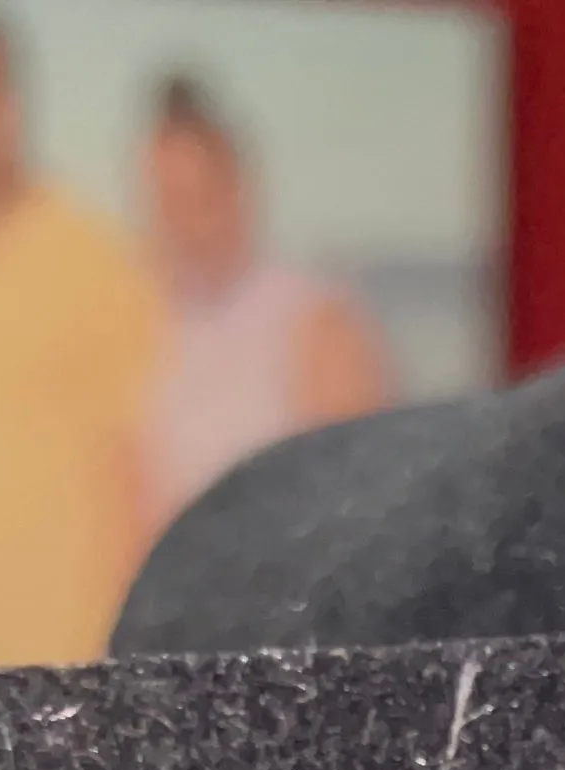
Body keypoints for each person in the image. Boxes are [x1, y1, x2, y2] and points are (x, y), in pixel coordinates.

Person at [0, 4, 160, 669]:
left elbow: (140, 464)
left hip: (70, 656)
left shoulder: (94, 254)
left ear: (11, 101)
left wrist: (126, 647)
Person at [134, 76, 394, 545]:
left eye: (197, 199)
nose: (183, 225)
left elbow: (364, 511)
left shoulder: (316, 320)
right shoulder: (145, 332)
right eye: (167, 201)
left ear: (239, 188)